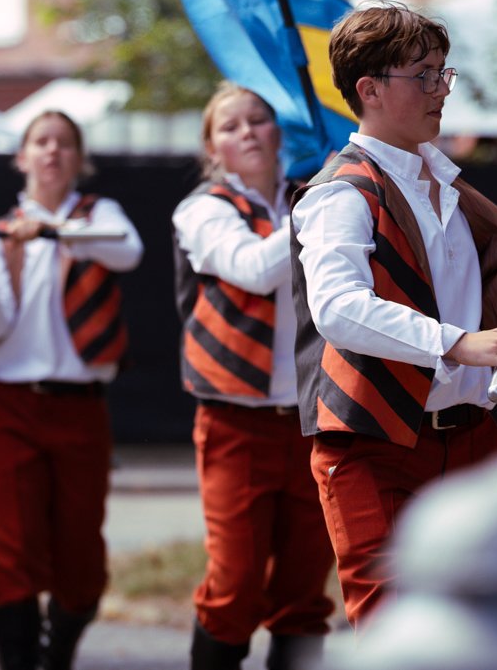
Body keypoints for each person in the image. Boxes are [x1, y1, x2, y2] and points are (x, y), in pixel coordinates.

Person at [291, 1, 497, 625]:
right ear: (370, 89)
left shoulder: (450, 184)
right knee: (393, 632)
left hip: (472, 438)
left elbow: (463, 290)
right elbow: (338, 309)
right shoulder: (340, 191)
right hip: (373, 444)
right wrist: (459, 342)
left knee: (480, 626)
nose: (441, 90)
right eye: (424, 75)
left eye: (444, 73)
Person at [0, 110, 143, 670]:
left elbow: (126, 249)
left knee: (80, 558)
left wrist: (51, 231)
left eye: (64, 143)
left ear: (79, 159)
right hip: (7, 406)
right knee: (9, 551)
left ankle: (59, 653)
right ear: (21, 158)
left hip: (79, 408)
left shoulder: (99, 216)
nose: (52, 152)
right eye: (40, 142)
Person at [172, 83, 335, 670]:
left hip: (315, 419)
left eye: (259, 120)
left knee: (303, 589)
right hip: (236, 421)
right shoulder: (202, 208)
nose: (247, 132)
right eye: (230, 125)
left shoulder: (311, 196)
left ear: (280, 131)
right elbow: (253, 269)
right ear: (211, 147)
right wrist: (316, 209)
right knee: (235, 585)